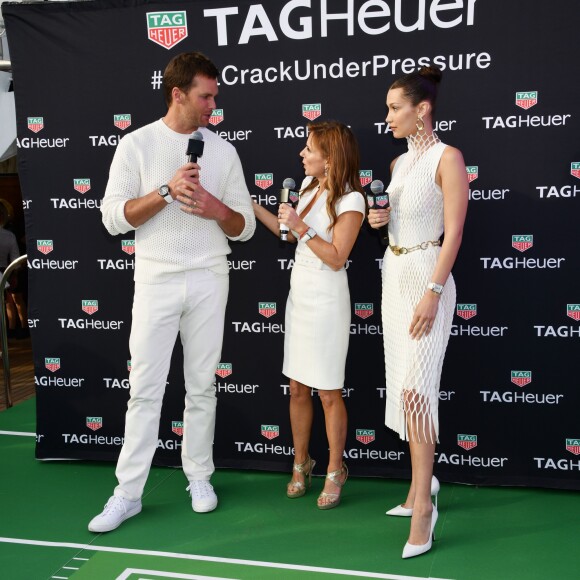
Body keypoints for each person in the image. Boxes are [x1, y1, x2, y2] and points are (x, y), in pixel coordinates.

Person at [89, 52, 256, 533]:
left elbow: (243, 228)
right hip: (157, 278)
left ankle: (199, 476)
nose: (213, 106)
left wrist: (214, 208)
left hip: (209, 277)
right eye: (206, 97)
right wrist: (166, 192)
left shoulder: (223, 151)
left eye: (215, 97)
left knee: (202, 385)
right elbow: (114, 219)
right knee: (144, 389)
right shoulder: (137, 144)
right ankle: (128, 494)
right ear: (177, 93)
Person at [368, 66, 468, 558]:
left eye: (394, 108)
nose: (387, 117)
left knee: (417, 390)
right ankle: (417, 489)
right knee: (402, 385)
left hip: (428, 276)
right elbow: (397, 224)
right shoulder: (397, 166)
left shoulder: (448, 159)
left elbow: (453, 233)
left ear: (421, 110)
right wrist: (379, 220)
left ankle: (426, 510)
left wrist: (433, 289)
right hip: (395, 274)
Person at [253, 121, 366, 509]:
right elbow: (287, 235)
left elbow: (336, 258)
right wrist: (254, 209)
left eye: (310, 149)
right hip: (299, 293)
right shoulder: (307, 188)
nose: (302, 154)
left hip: (328, 296)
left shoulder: (352, 199)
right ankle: (301, 462)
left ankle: (336, 469)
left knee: (329, 391)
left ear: (330, 157)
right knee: (298, 388)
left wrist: (300, 226)